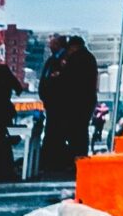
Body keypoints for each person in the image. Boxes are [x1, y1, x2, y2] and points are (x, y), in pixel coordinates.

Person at [40, 34, 97, 178]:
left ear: (73, 47)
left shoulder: (78, 59)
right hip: (79, 103)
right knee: (77, 134)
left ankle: (72, 163)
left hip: (75, 104)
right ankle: (74, 162)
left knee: (75, 134)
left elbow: (69, 81)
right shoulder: (86, 58)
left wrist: (57, 77)